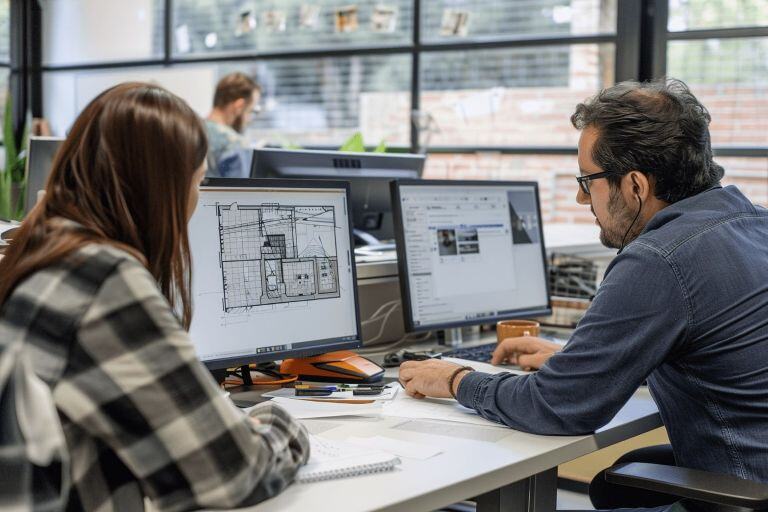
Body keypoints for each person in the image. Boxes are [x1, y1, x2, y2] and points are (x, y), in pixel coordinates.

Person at [399, 78, 768, 508]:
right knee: (616, 483)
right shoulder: (754, 224)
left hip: (745, 487)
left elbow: (557, 408)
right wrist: (579, 361)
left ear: (635, 186)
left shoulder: (659, 260)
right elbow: (728, 354)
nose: (579, 197)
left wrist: (456, 379)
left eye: (586, 179)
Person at [0, 83, 309, 511]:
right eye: (198, 181)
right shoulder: (103, 279)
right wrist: (279, 421)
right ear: (164, 190)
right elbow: (233, 474)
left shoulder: (39, 249)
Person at [205, 72, 262, 177]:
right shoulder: (234, 144)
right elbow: (239, 192)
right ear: (239, 106)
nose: (249, 119)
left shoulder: (190, 129)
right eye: (251, 111)